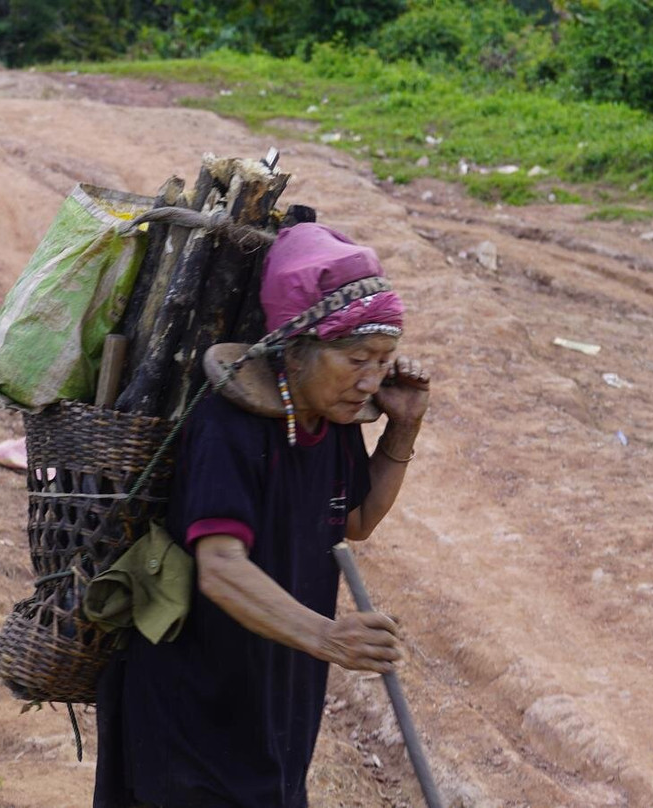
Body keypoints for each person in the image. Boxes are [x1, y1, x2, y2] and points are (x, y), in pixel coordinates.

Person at [94, 222, 430, 808]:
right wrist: (328, 637)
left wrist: (402, 429)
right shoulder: (229, 428)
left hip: (276, 696)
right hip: (194, 701)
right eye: (356, 359)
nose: (372, 381)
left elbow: (352, 521)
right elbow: (220, 568)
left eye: (383, 360)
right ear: (296, 349)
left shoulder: (334, 425)